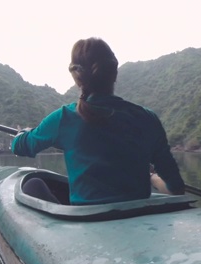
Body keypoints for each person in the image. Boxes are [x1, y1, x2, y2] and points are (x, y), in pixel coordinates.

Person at [11, 37, 184, 205]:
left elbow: (20, 146)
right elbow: (176, 188)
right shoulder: (147, 118)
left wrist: (23, 134)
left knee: (33, 184)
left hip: (88, 222)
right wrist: (152, 177)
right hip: (137, 217)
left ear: (76, 77)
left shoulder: (64, 118)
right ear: (114, 72)